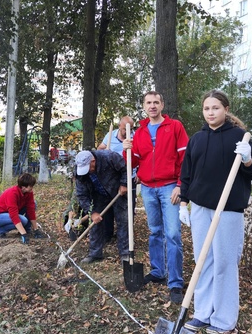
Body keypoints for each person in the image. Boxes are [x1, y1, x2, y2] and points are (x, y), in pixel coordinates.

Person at [179, 89, 252, 334]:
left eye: (215, 108)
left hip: (228, 210)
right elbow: (187, 173)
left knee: (225, 263)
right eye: (206, 109)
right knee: (203, 261)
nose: (210, 113)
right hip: (200, 209)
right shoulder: (197, 138)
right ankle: (203, 314)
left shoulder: (240, 137)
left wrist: (248, 159)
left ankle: (224, 319)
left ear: (226, 109)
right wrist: (184, 203)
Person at [122, 91, 189, 304]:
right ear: (144, 106)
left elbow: (185, 158)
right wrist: (126, 150)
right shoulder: (139, 132)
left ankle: (176, 282)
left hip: (169, 186)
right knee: (155, 231)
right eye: (148, 103)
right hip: (148, 189)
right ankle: (159, 271)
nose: (152, 106)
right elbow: (134, 162)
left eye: (156, 102)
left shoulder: (174, 127)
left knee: (172, 233)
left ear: (162, 105)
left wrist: (180, 185)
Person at [75, 150, 129, 263]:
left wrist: (124, 184)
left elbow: (126, 169)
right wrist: (92, 212)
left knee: (123, 221)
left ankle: (125, 253)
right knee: (95, 222)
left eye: (88, 167)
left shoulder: (110, 157)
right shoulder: (80, 174)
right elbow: (81, 195)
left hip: (118, 191)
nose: (87, 171)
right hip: (98, 195)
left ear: (93, 161)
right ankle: (95, 254)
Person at [97, 116, 137, 243]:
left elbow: (141, 155)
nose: (128, 132)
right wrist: (105, 154)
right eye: (125, 129)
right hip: (112, 178)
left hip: (130, 176)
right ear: (120, 126)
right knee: (109, 207)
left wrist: (139, 172)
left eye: (131, 129)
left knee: (128, 207)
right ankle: (108, 235)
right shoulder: (110, 135)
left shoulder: (135, 137)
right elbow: (99, 149)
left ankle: (127, 237)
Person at [0, 173, 44, 243]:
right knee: (23, 220)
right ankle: (0, 230)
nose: (32, 188)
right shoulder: (12, 193)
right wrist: (23, 234)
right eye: (31, 186)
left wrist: (36, 229)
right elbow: (14, 215)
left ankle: (27, 229)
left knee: (34, 204)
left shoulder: (29, 193)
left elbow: (31, 210)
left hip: (11, 213)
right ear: (24, 187)